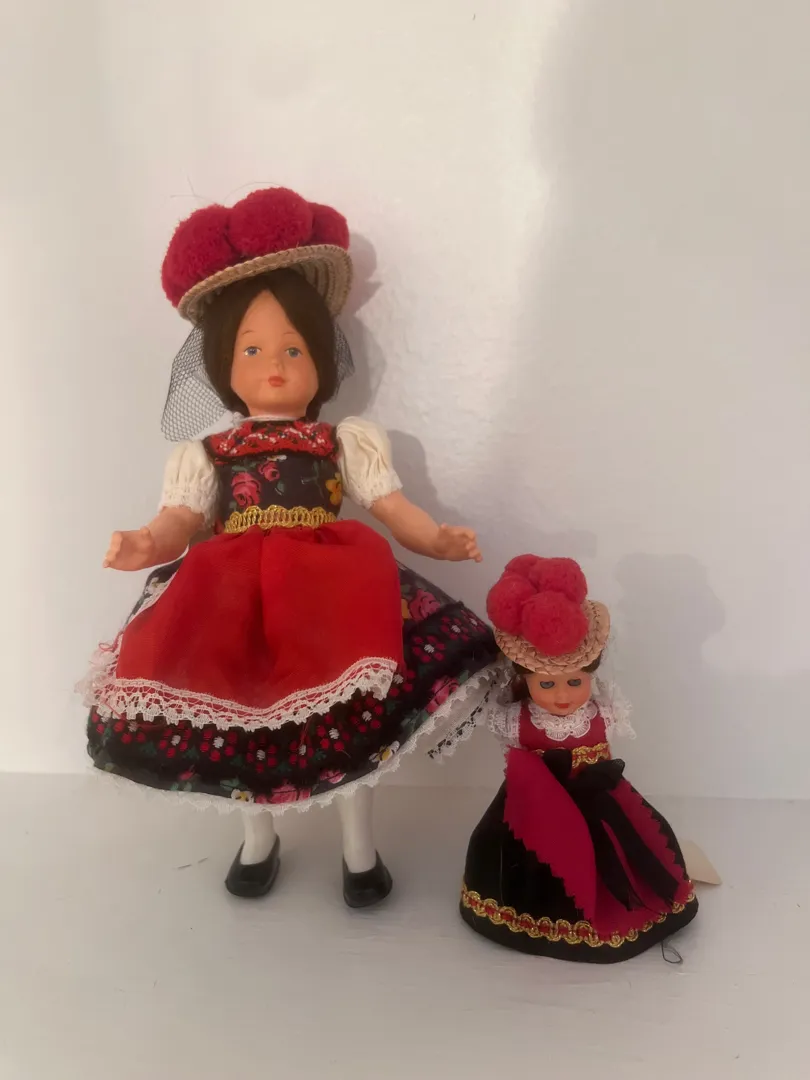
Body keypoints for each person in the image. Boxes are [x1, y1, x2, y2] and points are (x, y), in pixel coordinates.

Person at [81, 186, 499, 907]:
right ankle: (258, 839)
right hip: (232, 598)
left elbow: (390, 505)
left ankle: (359, 849)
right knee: (242, 724)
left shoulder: (343, 441)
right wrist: (145, 543)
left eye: (292, 349)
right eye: (252, 350)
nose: (273, 365)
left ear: (320, 361)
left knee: (351, 726)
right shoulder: (208, 454)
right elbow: (180, 519)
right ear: (223, 364)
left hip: (333, 596)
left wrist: (434, 537)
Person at [457, 555, 697, 961]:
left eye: (574, 681)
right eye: (547, 684)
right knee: (527, 857)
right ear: (526, 680)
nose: (563, 695)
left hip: (601, 806)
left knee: (622, 852)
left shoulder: (603, 714)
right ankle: (538, 919)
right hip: (537, 813)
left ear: (590, 675)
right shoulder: (517, 721)